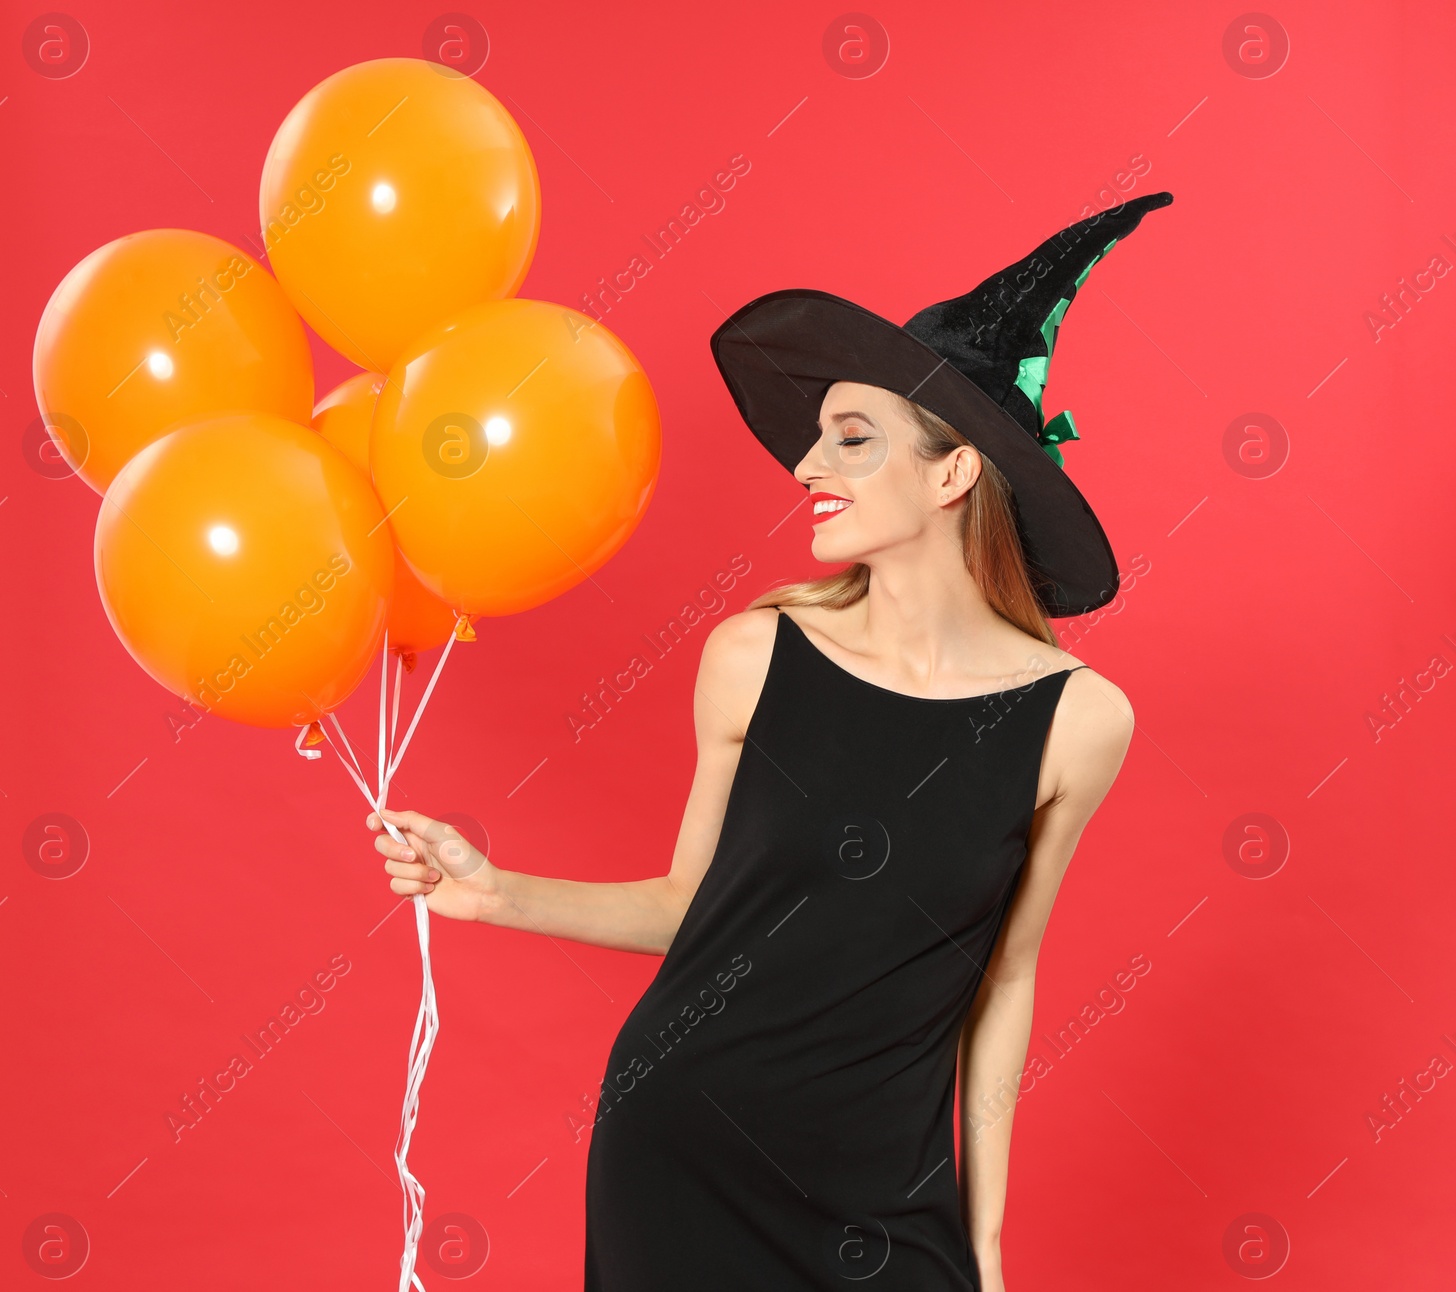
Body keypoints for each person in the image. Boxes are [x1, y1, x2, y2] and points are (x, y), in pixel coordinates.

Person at [368, 190, 1174, 1291]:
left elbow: (1004, 979)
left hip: (889, 1196)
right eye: (816, 439)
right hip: (682, 1153)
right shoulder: (753, 655)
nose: (806, 466)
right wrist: (495, 890)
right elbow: (687, 906)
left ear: (951, 473)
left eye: (851, 438)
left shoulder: (1078, 720)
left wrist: (982, 1248)